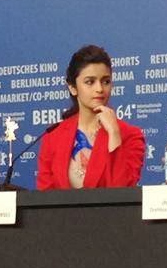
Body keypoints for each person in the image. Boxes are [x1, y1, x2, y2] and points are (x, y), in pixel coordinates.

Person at [37, 45, 145, 190]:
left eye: (106, 81)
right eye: (90, 82)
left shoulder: (130, 135)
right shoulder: (53, 137)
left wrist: (114, 134)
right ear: (73, 87)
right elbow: (45, 198)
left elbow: (122, 191)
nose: (99, 89)